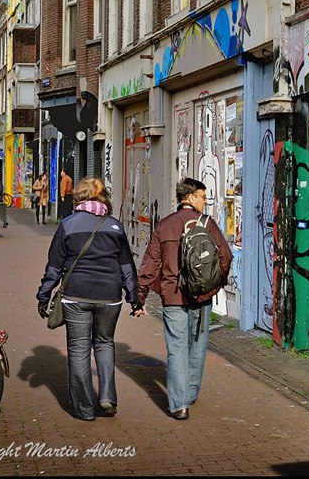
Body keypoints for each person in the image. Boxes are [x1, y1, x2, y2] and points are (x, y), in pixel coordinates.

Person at [36, 177, 138, 421]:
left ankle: (84, 409)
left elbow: (54, 266)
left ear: (78, 197)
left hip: (75, 295)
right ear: (103, 197)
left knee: (79, 349)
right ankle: (107, 397)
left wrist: (44, 296)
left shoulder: (68, 224)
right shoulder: (115, 226)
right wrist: (134, 298)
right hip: (109, 297)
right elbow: (126, 266)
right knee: (104, 344)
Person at [133, 178, 231, 420]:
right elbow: (225, 256)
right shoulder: (207, 224)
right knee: (197, 345)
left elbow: (150, 263)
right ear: (189, 197)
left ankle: (179, 405)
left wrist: (140, 297)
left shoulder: (164, 225)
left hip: (173, 295)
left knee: (176, 348)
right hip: (202, 296)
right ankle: (191, 392)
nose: (205, 201)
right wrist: (213, 286)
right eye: (202, 196)